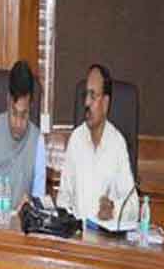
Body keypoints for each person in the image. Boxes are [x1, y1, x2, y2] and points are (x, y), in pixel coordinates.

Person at [56, 64, 138, 222]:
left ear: (105, 103)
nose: (86, 102)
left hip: (104, 234)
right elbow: (63, 197)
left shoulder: (117, 144)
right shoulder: (76, 139)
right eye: (86, 95)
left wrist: (113, 209)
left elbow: (133, 206)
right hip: (77, 232)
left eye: (93, 96)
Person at [0, 60, 46, 211]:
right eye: (14, 113)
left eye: (24, 115)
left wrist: (31, 205)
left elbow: (39, 196)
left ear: (31, 106)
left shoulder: (38, 140)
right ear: (8, 100)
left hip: (22, 220)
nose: (18, 124)